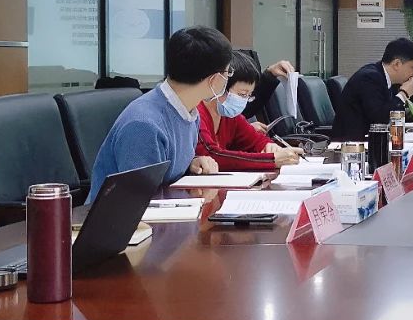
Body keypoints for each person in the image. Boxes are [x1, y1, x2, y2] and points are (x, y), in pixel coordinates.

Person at [88, 26, 233, 202]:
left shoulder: (189, 112)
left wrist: (192, 164)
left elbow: (166, 174)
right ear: (214, 79)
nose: (228, 78)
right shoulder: (144, 125)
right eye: (228, 72)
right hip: (119, 217)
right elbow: (139, 201)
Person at [195, 51, 303, 170]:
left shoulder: (231, 116)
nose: (244, 101)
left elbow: (257, 140)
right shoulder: (197, 112)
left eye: (249, 95)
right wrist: (271, 159)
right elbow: (211, 154)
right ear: (219, 86)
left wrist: (270, 147)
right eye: (242, 94)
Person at [330, 38, 413, 141]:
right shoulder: (369, 78)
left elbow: (392, 113)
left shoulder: (385, 78)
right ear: (397, 64)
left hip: (370, 140)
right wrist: (404, 94)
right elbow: (380, 119)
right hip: (351, 144)